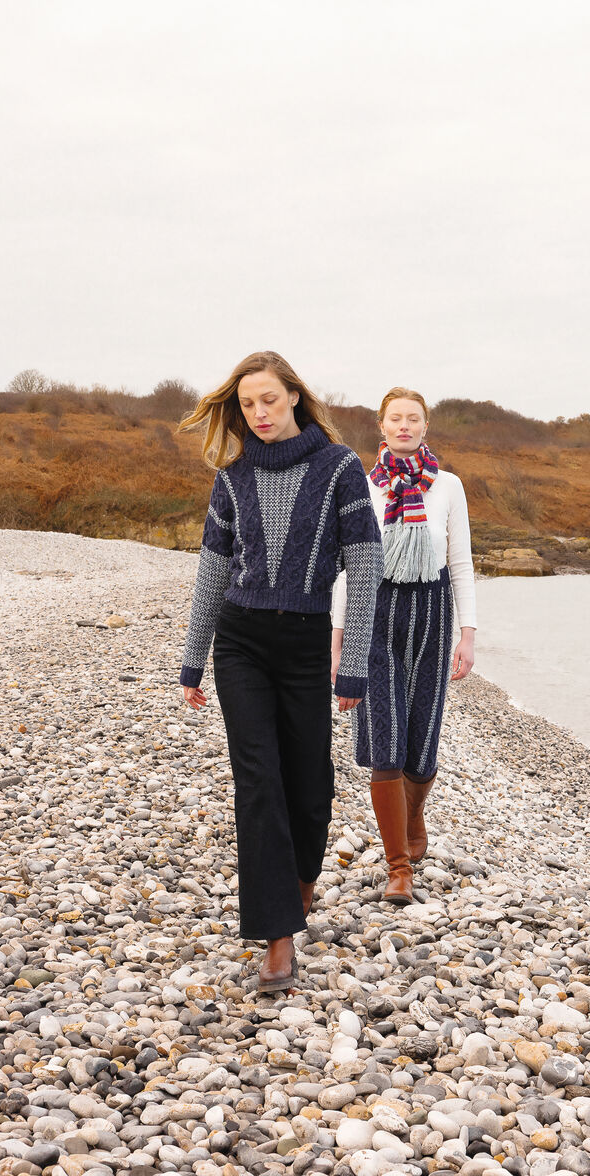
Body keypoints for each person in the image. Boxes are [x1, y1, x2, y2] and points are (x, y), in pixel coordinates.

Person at [179, 351, 383, 993]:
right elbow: (213, 571)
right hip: (240, 642)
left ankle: (301, 880)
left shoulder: (340, 468)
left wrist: (354, 665)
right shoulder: (232, 475)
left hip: (303, 644)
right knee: (259, 782)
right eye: (247, 404)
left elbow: (367, 567)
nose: (258, 413)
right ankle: (277, 939)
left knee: (310, 785)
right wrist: (193, 658)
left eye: (268, 399)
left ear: (294, 395)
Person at [331, 388, 476, 904]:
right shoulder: (362, 486)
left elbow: (460, 562)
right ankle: (398, 867)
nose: (405, 426)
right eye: (396, 418)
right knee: (385, 739)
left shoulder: (448, 486)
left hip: (433, 614)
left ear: (425, 426)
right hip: (375, 612)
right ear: (382, 426)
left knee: (422, 738)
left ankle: (414, 816)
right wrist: (338, 639)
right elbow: (348, 567)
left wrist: (468, 633)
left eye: (414, 418)